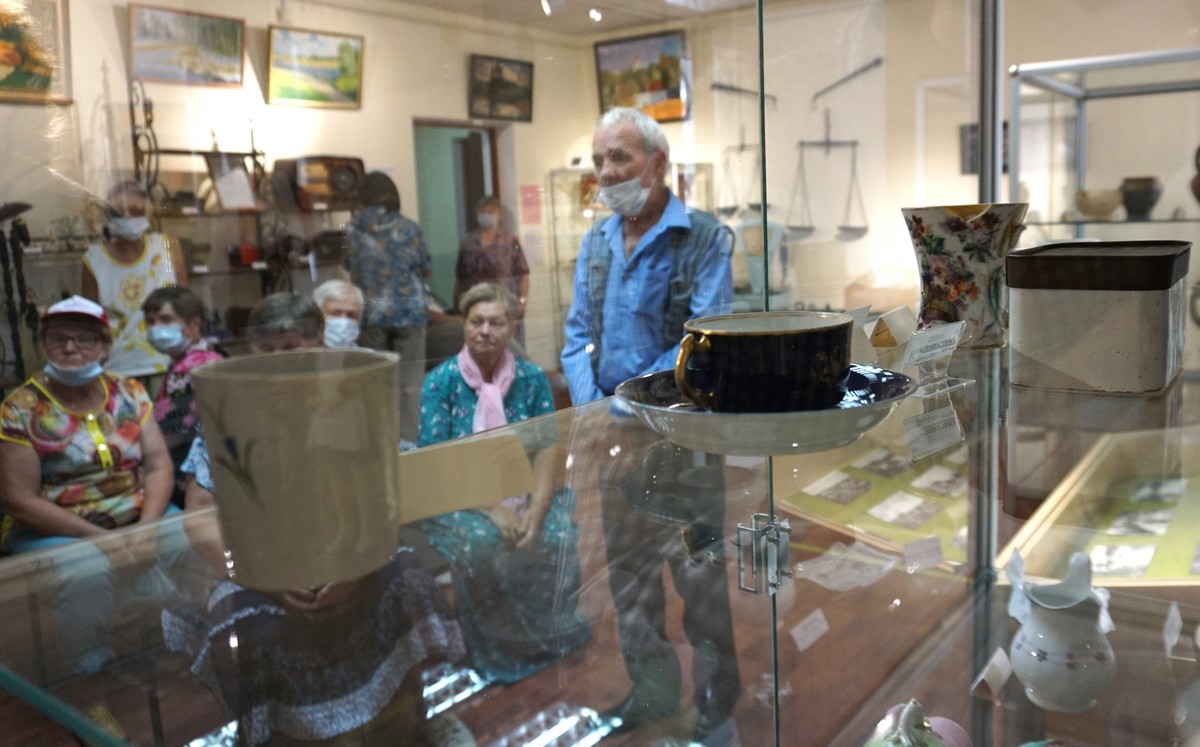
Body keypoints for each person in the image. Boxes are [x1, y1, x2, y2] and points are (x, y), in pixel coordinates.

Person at [174, 292, 471, 746]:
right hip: (255, 569)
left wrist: (355, 566)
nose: (278, 360)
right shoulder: (226, 416)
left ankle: (409, 725)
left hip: (355, 554)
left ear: (316, 342)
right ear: (250, 350)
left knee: (406, 580)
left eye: (291, 347)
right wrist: (255, 571)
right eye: (267, 349)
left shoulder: (351, 403)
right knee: (245, 623)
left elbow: (392, 489)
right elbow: (198, 516)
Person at [559, 107, 739, 743]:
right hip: (613, 446)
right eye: (599, 159)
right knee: (629, 580)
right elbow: (576, 335)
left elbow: (704, 341)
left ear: (657, 164)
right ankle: (654, 690)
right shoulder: (596, 243)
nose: (606, 172)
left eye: (620, 157)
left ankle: (717, 706)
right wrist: (593, 409)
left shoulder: (706, 239)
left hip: (683, 444)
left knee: (701, 582)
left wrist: (620, 409)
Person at [0, 295, 184, 674]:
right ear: (43, 344)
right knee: (89, 569)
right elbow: (19, 500)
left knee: (187, 537)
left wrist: (147, 529)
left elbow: (157, 465)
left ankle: (183, 638)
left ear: (105, 346)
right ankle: (88, 675)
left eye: (84, 338)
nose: (70, 347)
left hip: (136, 514)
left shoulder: (130, 392)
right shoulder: (19, 408)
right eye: (58, 338)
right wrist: (102, 540)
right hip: (55, 529)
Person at [417, 282, 589, 685]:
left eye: (496, 323)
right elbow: (437, 464)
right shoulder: (440, 382)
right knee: (483, 544)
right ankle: (497, 650)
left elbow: (546, 446)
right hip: (460, 497)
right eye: (476, 321)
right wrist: (493, 510)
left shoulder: (530, 378)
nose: (485, 331)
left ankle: (550, 636)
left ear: (512, 327)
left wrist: (536, 510)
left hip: (524, 491)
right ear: (463, 325)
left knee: (557, 534)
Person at [344, 172, 431, 442]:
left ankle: (378, 442)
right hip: (410, 312)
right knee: (410, 386)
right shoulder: (409, 228)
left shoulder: (350, 230)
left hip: (372, 312)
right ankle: (409, 445)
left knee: (376, 383)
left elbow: (348, 267)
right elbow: (426, 268)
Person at [82, 179, 189, 380]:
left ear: (149, 210)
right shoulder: (94, 262)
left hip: (168, 362)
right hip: (118, 370)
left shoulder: (167, 247)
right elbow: (91, 326)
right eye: (118, 212)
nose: (128, 217)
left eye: (136, 210)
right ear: (108, 214)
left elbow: (186, 307)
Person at [141, 285, 224, 509]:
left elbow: (175, 429)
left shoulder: (196, 365)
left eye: (166, 320)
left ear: (194, 324)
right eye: (150, 321)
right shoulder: (189, 362)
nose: (155, 328)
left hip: (195, 471)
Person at [452, 196, 530, 344]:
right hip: (475, 308)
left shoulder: (509, 240)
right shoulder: (468, 243)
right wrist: (457, 307)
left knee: (510, 348)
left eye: (491, 211)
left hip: (505, 307)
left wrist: (522, 302)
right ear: (477, 215)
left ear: (499, 215)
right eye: (483, 211)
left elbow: (523, 274)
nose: (486, 214)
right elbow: (460, 278)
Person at [313, 277, 364, 349]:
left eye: (351, 315)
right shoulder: (303, 354)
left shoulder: (370, 355)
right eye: (335, 313)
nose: (344, 322)